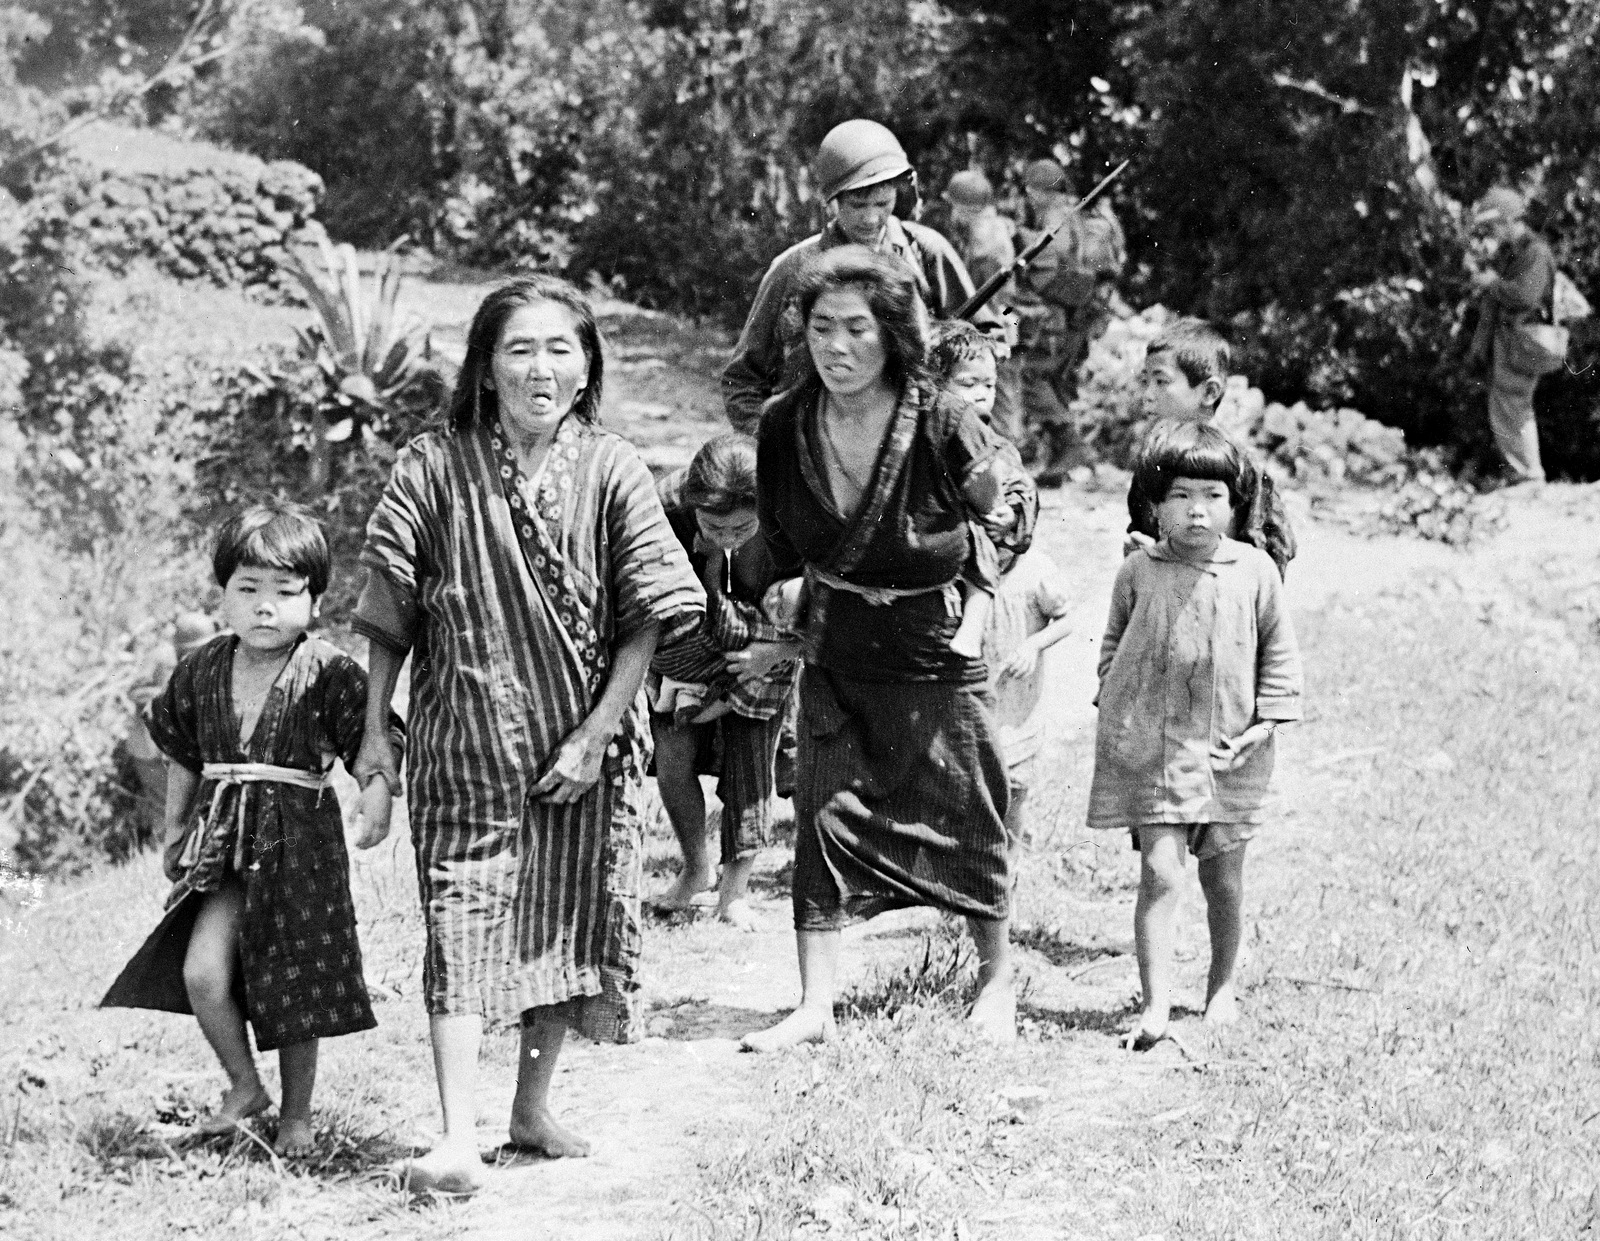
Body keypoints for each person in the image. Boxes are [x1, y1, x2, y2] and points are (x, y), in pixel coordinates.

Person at [351, 276, 705, 1194]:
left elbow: (648, 617)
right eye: (519, 348)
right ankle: (457, 1133)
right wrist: (375, 737)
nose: (541, 367)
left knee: (562, 913)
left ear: (587, 366)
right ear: (486, 366)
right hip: (463, 740)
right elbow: (387, 615)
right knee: (461, 922)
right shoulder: (432, 465)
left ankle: (530, 1108)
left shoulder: (615, 466)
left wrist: (593, 737)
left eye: (560, 348)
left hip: (579, 753)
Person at [740, 246, 1039, 1054]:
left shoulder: (940, 416)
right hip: (838, 644)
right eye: (820, 328)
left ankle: (995, 981)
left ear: (892, 335)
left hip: (934, 642)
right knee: (823, 815)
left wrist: (1000, 517)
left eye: (856, 329)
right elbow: (771, 536)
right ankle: (814, 1004)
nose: (836, 348)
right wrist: (764, 605)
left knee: (972, 807)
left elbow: (1006, 503)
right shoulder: (784, 423)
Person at [100, 506, 398, 1157]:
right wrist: (176, 825)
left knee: (297, 985)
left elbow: (373, 744)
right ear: (223, 594)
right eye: (248, 589)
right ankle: (243, 1085)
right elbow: (180, 747)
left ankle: (296, 1114)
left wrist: (377, 799)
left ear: (315, 601)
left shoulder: (327, 670)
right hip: (223, 843)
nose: (266, 607)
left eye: (285, 593)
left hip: (298, 849)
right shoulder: (202, 668)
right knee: (203, 971)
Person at [1087, 423, 1303, 1050]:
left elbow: (1280, 657)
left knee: (1224, 878)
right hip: (1155, 751)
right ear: (1156, 506)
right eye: (1180, 495)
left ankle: (1221, 987)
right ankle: (1155, 1005)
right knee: (1160, 872)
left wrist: (1264, 727)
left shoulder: (1256, 571)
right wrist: (1116, 695)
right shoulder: (1138, 570)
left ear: (1235, 505)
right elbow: (1112, 648)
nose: (1197, 509)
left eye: (1212, 495)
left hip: (1232, 751)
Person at [722, 119, 998, 433]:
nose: (871, 218)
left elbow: (993, 329)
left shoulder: (925, 252)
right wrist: (770, 443)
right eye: (857, 205)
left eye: (883, 203)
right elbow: (741, 379)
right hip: (816, 442)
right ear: (832, 202)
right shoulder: (793, 269)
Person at [648, 433, 802, 930]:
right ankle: (696, 868)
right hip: (686, 648)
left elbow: (843, 605)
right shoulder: (661, 509)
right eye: (714, 526)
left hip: (766, 655)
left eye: (742, 527)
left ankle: (734, 893)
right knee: (672, 757)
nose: (729, 537)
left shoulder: (797, 517)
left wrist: (778, 652)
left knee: (750, 764)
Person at [1123, 318, 1296, 580]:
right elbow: (1143, 531)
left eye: (1161, 382)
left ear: (1209, 392)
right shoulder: (1154, 459)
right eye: (1146, 382)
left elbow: (1271, 549)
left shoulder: (1238, 464)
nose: (1147, 394)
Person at [1011, 157, 1126, 485]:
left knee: (1032, 377)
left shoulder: (1056, 217)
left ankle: (1070, 446)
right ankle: (1062, 461)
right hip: (1082, 316)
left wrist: (1021, 244)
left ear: (1040, 190)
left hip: (1058, 316)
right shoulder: (1080, 214)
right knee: (1056, 382)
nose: (1029, 197)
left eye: (1031, 190)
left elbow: (1048, 269)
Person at [1467, 186, 1557, 485]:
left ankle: (1529, 475)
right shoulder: (1513, 254)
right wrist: (1479, 347)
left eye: (1494, 226)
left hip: (1523, 342)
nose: (1493, 233)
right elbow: (1494, 304)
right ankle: (1524, 473)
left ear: (1508, 221)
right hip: (1509, 343)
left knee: (1512, 404)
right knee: (1506, 406)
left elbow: (1526, 297)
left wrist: (1492, 283)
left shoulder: (1535, 253)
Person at [121, 611, 221, 842]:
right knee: (164, 805)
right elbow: (135, 691)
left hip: (176, 745)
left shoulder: (197, 661)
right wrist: (167, 695)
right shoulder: (159, 657)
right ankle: (162, 857)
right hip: (149, 747)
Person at [941, 169, 1025, 445]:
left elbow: (997, 297)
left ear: (963, 208)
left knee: (999, 396)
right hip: (1002, 318)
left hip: (994, 320)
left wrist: (1006, 332)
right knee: (1002, 393)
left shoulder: (982, 241)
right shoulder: (995, 227)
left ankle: (1003, 458)